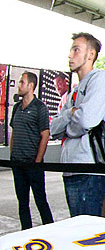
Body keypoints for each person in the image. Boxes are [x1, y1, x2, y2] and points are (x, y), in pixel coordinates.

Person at [50, 32, 105, 217]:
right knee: (76, 226)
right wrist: (70, 115)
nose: (70, 55)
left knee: (87, 229)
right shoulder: (74, 92)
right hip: (70, 168)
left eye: (76, 50)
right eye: (71, 50)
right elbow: (54, 128)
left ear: (91, 54)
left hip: (89, 168)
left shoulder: (100, 79)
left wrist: (68, 128)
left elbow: (87, 120)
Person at [10, 70, 54, 229]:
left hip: (33, 163)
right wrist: (12, 154)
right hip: (17, 163)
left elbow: (45, 135)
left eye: (22, 82)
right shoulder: (16, 108)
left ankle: (50, 229)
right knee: (22, 201)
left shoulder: (40, 108)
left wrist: (37, 161)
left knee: (40, 199)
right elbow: (14, 132)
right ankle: (26, 231)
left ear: (31, 85)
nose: (19, 86)